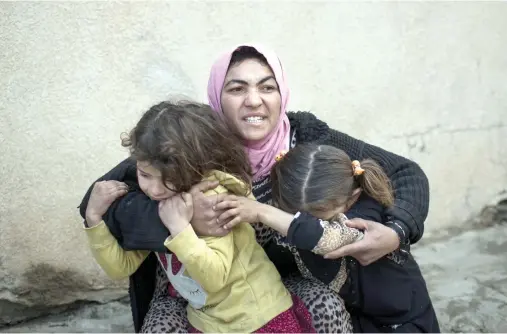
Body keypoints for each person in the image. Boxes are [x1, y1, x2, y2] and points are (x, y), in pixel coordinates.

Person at [78, 44, 431, 333]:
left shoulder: (307, 139)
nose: (254, 100)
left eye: (267, 86)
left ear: (282, 93)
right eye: (236, 88)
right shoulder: (190, 144)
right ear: (217, 95)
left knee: (325, 309)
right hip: (193, 294)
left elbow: (406, 172)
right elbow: (97, 200)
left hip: (271, 290)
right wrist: (183, 216)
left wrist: (397, 231)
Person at [84, 101, 316, 333]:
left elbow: (215, 277)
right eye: (145, 175)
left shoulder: (211, 200)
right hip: (209, 322)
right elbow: (121, 267)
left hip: (257, 317)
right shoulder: (159, 205)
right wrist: (94, 218)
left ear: (195, 167)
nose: (154, 190)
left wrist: (180, 229)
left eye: (169, 179)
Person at [215, 143, 440, 332]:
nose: (300, 222)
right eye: (293, 215)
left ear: (352, 199)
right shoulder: (300, 218)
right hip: (361, 315)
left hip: (403, 320)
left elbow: (321, 236)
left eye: (317, 218)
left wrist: (261, 212)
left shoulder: (364, 217)